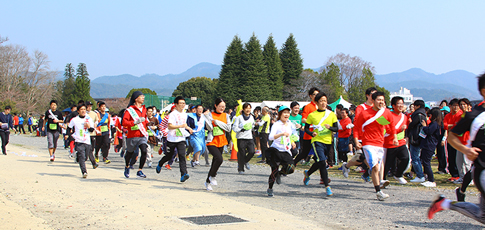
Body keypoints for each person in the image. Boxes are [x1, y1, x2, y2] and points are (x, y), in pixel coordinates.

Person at [428, 73, 485, 224]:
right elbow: (452, 136)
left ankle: (444, 203)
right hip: (483, 170)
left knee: (482, 216)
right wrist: (466, 150)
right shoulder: (473, 116)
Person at [353, 91, 397, 201]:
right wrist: (356, 140)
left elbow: (391, 126)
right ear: (373, 101)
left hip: (379, 144)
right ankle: (378, 191)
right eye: (378, 100)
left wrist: (395, 137)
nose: (381, 102)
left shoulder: (386, 113)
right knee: (375, 166)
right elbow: (357, 127)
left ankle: (376, 187)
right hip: (368, 143)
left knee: (376, 167)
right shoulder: (365, 113)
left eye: (382, 100)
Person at [302, 92, 337, 197]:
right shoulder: (312, 115)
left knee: (319, 162)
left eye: (325, 101)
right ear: (316, 102)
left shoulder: (331, 114)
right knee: (322, 161)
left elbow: (336, 128)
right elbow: (306, 128)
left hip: (328, 141)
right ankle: (327, 187)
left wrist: (330, 128)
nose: (323, 103)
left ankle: (307, 173)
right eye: (321, 101)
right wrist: (311, 133)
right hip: (317, 141)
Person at [156, 96, 193, 182]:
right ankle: (160, 163)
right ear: (176, 104)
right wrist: (181, 126)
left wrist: (189, 128)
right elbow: (170, 126)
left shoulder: (184, 114)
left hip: (181, 138)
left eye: (184, 103)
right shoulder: (172, 114)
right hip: (172, 138)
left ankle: (184, 174)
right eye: (180, 103)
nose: (182, 105)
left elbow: (184, 124)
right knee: (169, 156)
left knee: (182, 155)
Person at [266, 106, 297, 197]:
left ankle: (280, 173)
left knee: (291, 168)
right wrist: (281, 134)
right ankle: (270, 188)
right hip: (275, 150)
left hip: (286, 150)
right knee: (274, 170)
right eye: (284, 113)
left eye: (288, 112)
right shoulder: (276, 124)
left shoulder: (290, 124)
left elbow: (291, 135)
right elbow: (271, 137)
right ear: (280, 114)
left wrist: (292, 141)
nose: (286, 114)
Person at [381, 96, 410, 185]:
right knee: (387, 164)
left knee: (406, 158)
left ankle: (398, 174)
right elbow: (383, 130)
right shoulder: (386, 115)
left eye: (402, 103)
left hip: (401, 142)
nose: (401, 106)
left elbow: (404, 129)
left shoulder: (404, 116)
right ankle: (382, 180)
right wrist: (398, 130)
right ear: (393, 105)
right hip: (389, 143)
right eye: (399, 104)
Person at [204, 98, 231, 191]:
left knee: (214, 163)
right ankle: (213, 176)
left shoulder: (226, 116)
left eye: (224, 106)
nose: (222, 108)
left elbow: (228, 128)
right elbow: (209, 127)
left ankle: (208, 182)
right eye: (220, 106)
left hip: (221, 140)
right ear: (215, 106)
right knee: (219, 159)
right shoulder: (210, 115)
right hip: (212, 141)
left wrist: (216, 122)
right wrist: (209, 120)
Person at [122, 91, 150, 178]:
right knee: (130, 153)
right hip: (132, 136)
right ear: (136, 98)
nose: (143, 98)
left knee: (144, 150)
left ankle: (140, 170)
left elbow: (144, 120)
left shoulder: (144, 109)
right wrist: (134, 122)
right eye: (141, 96)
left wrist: (149, 124)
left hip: (142, 135)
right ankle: (127, 166)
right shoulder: (130, 110)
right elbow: (124, 122)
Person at [68, 104, 97, 178]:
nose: (83, 111)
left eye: (84, 109)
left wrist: (89, 127)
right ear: (78, 111)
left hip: (87, 140)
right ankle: (84, 172)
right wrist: (69, 135)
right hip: (79, 140)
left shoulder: (88, 119)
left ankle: (78, 157)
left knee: (85, 157)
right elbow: (69, 128)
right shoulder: (75, 119)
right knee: (82, 157)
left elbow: (92, 130)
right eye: (81, 109)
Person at [293, 87, 320, 166]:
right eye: (314, 94)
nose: (316, 96)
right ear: (310, 96)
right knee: (304, 154)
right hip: (309, 134)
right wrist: (312, 122)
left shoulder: (320, 106)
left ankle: (322, 174)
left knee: (319, 155)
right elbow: (303, 119)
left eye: (317, 94)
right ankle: (292, 164)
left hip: (319, 135)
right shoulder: (308, 107)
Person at [418, 108, 443, 187]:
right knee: (424, 161)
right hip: (429, 144)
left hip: (429, 145)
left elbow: (429, 131)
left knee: (426, 162)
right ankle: (428, 177)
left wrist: (424, 127)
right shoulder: (437, 123)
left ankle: (431, 180)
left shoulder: (435, 124)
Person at [407, 99, 427, 182]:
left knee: (415, 158)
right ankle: (420, 175)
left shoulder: (418, 115)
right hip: (419, 138)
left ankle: (420, 175)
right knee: (417, 157)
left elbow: (412, 125)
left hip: (415, 138)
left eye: (414, 105)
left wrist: (410, 122)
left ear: (418, 106)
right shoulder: (423, 114)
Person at [233, 102, 255, 174]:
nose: (248, 110)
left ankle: (245, 161)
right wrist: (240, 129)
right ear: (243, 109)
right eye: (246, 108)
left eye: (249, 108)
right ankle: (241, 169)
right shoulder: (239, 118)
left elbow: (253, 125)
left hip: (249, 137)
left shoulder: (251, 117)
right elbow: (234, 127)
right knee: (242, 153)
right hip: (241, 138)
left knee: (252, 151)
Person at [443, 99, 462, 182]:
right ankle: (453, 174)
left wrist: (450, 126)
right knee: (451, 156)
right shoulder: (448, 116)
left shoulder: (461, 115)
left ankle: (459, 174)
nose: (455, 107)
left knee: (458, 158)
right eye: (454, 105)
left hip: (459, 139)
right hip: (450, 139)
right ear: (450, 106)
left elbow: (459, 125)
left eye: (457, 105)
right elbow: (444, 126)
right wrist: (452, 125)